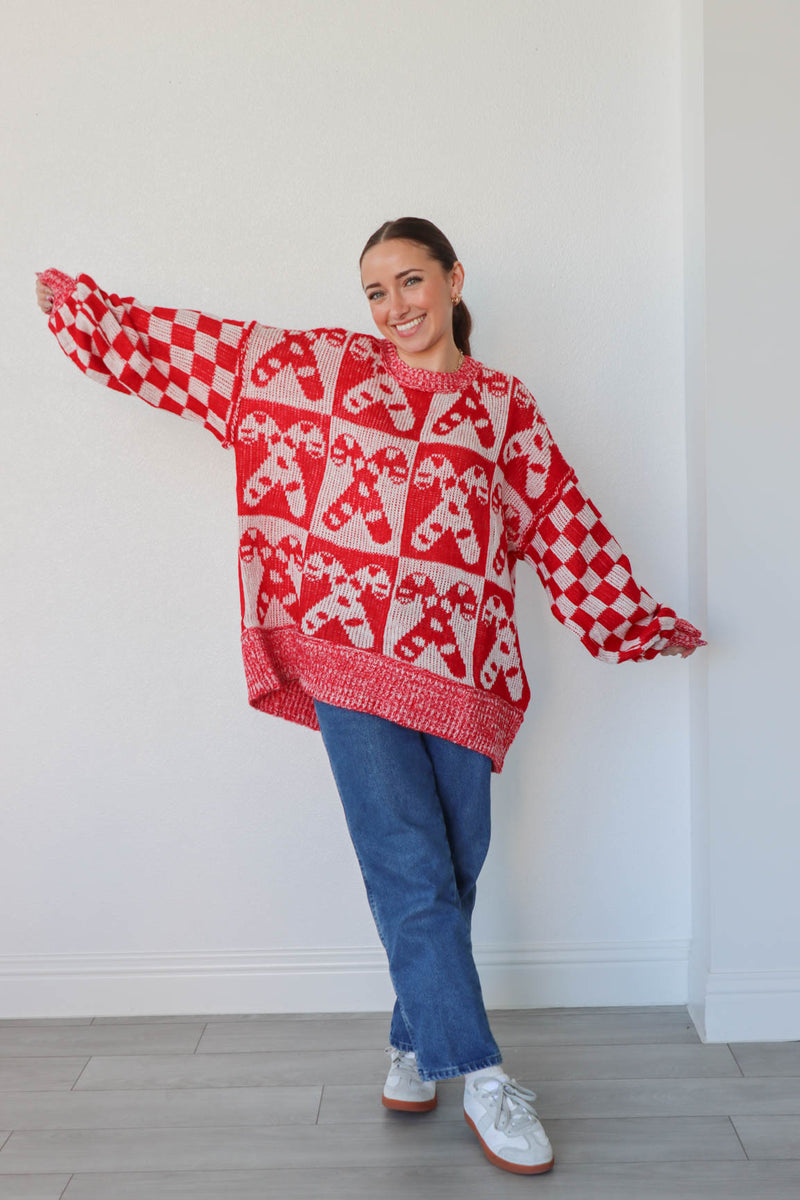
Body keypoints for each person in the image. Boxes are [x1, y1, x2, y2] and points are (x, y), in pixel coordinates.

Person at [35, 216, 705, 1177]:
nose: (394, 308)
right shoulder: (328, 371)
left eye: (410, 282)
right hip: (348, 661)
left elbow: (565, 525)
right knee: (409, 868)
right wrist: (97, 318)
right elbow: (210, 354)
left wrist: (636, 620)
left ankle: (411, 1042)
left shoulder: (504, 408)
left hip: (463, 676)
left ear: (454, 278)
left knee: (456, 868)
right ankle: (479, 1076)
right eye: (375, 292)